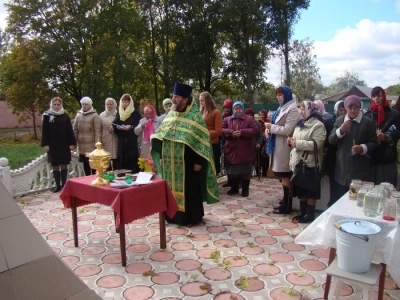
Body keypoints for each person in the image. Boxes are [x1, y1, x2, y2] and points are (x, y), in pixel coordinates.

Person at [151, 82, 219, 226]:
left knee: (190, 189)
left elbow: (202, 141)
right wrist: (163, 157)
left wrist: (199, 162)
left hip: (189, 162)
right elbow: (163, 135)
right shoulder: (171, 115)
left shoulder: (195, 117)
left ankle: (191, 217)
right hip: (170, 162)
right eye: (173, 96)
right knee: (170, 188)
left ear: (185, 99)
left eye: (176, 97)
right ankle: (172, 216)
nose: (173, 99)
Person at [329, 95, 378, 198]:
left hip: (359, 170)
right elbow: (331, 140)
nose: (353, 110)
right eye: (350, 108)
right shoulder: (340, 120)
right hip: (342, 170)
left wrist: (362, 148)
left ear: (359, 107)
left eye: (356, 108)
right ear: (346, 108)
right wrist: (341, 130)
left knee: (355, 199)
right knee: (340, 200)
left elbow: (374, 142)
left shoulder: (367, 122)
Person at [288, 101, 326, 223]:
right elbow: (296, 140)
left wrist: (297, 144)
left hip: (310, 163)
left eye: (303, 109)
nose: (301, 112)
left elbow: (317, 144)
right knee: (301, 189)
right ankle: (302, 212)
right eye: (301, 109)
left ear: (311, 110)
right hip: (298, 162)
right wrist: (291, 142)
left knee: (310, 191)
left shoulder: (318, 125)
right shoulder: (300, 124)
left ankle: (309, 215)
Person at [264, 86, 300, 214]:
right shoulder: (281, 108)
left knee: (285, 176)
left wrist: (271, 127)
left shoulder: (293, 109)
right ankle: (285, 201)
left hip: (285, 147)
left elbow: (288, 129)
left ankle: (287, 205)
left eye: (281, 95)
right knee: (282, 177)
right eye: (277, 95)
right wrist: (267, 130)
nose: (278, 97)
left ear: (287, 95)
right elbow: (274, 124)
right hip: (277, 145)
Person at [364, 86, 400, 187]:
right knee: (370, 192)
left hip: (387, 159)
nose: (376, 98)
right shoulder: (365, 114)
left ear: (383, 96)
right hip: (370, 159)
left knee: (386, 192)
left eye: (379, 96)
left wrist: (386, 137)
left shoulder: (394, 114)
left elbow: (398, 132)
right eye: (374, 96)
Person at [41, 97, 76, 192]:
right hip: (53, 144)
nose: (56, 106)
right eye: (54, 104)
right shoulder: (47, 115)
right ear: (51, 105)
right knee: (55, 164)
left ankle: (64, 185)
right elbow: (44, 131)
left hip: (64, 144)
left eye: (58, 104)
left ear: (61, 105)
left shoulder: (65, 116)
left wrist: (72, 143)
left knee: (64, 163)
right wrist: (45, 144)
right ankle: (57, 185)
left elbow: (69, 130)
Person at [223, 102, 258, 197]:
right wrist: (231, 133)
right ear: (233, 109)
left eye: (239, 108)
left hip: (245, 150)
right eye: (236, 108)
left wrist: (242, 132)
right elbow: (222, 129)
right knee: (232, 172)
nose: (238, 110)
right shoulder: (227, 119)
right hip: (232, 150)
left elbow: (254, 130)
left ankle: (245, 190)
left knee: (245, 172)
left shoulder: (249, 119)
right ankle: (234, 189)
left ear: (242, 109)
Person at [112, 94, 141, 173]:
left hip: (131, 140)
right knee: (122, 160)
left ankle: (133, 175)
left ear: (130, 102)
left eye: (126, 102)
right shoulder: (119, 112)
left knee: (132, 161)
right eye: (123, 102)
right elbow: (114, 123)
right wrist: (117, 127)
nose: (125, 104)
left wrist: (131, 127)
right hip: (121, 140)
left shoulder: (135, 113)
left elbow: (139, 125)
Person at [73, 96, 101, 176]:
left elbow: (97, 130)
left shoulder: (94, 115)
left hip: (91, 144)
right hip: (81, 145)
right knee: (85, 164)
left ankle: (94, 179)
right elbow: (75, 129)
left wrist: (97, 143)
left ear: (90, 105)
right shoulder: (78, 115)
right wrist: (74, 141)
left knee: (93, 164)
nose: (84, 106)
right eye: (83, 104)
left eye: (86, 104)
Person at [326, 100, 346, 207]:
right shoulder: (330, 123)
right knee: (334, 188)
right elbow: (329, 141)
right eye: (341, 110)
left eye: (345, 110)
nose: (343, 112)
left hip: (346, 162)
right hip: (333, 160)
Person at [199, 91, 222, 174]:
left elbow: (218, 131)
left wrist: (204, 133)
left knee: (212, 169)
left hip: (212, 144)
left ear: (208, 100)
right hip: (202, 144)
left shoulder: (216, 112)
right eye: (200, 100)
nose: (200, 102)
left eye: (202, 100)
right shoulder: (200, 112)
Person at [245, 108, 265, 178]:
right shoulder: (243, 123)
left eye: (251, 115)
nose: (249, 116)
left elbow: (260, 134)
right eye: (248, 115)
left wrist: (259, 143)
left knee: (254, 161)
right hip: (245, 146)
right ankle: (247, 175)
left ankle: (256, 174)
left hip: (254, 145)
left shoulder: (256, 123)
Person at [99, 98, 118, 170]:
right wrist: (99, 140)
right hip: (105, 140)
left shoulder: (118, 114)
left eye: (111, 104)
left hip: (115, 139)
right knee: (106, 161)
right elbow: (99, 129)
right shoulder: (101, 115)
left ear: (114, 105)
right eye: (108, 104)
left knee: (116, 160)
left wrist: (114, 130)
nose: (109, 106)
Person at [221, 98, 234, 187]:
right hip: (224, 141)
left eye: (228, 108)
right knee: (226, 162)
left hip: (233, 140)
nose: (226, 110)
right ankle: (229, 180)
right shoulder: (222, 116)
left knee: (234, 162)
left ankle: (236, 182)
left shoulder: (234, 116)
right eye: (225, 108)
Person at [256, 109, 269, 177]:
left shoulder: (267, 122)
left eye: (263, 115)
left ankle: (264, 173)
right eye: (260, 115)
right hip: (259, 143)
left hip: (265, 143)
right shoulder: (257, 123)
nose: (261, 116)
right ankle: (258, 173)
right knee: (258, 158)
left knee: (265, 158)